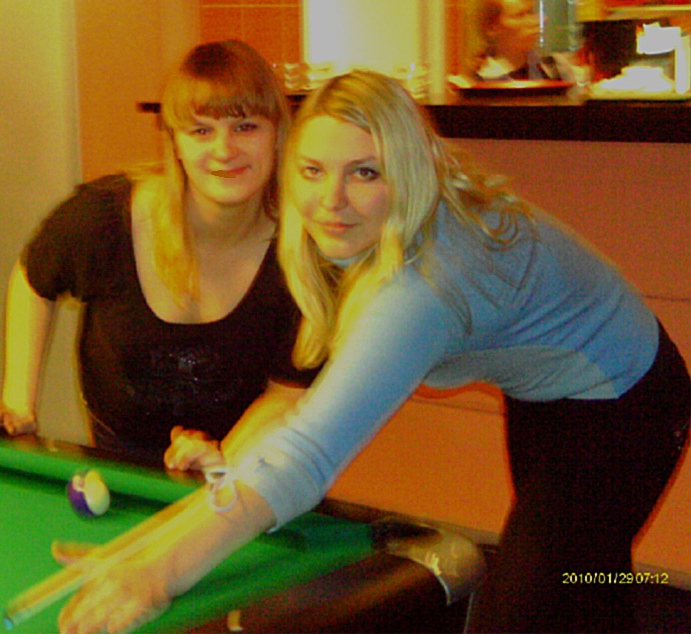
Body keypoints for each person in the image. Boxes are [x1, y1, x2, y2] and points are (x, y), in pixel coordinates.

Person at [56, 70, 689, 634]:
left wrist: (160, 573)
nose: (330, 200)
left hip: (627, 401)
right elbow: (293, 410)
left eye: (365, 172)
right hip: (550, 396)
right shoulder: (340, 233)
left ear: (405, 173)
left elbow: (306, 454)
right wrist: (159, 539)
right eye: (312, 170)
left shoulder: (426, 286)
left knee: (533, 602)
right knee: (585, 579)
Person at [0, 40, 315, 465]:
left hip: (246, 471)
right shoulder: (103, 218)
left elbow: (287, 394)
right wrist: (19, 401)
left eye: (246, 127)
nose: (225, 150)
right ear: (175, 142)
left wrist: (221, 458)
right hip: (115, 463)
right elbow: (34, 277)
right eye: (201, 131)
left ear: (278, 132)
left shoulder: (304, 254)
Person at [471, 0, 573, 83]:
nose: (534, 21)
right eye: (520, 15)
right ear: (492, 28)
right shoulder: (477, 83)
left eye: (531, 12)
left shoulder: (555, 68)